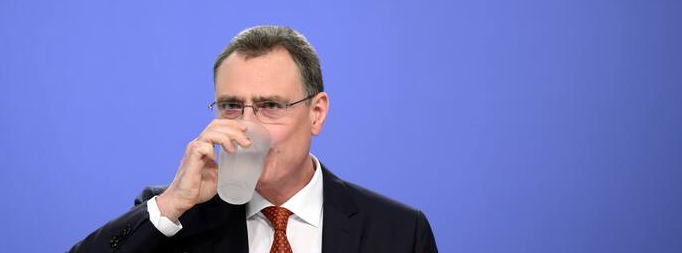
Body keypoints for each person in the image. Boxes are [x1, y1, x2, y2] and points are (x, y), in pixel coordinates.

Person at [67, 25, 438, 253]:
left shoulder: (398, 233)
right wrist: (171, 204)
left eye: (270, 106)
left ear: (317, 113)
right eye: (230, 106)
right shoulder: (178, 220)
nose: (246, 126)